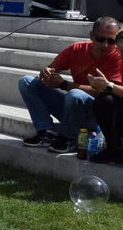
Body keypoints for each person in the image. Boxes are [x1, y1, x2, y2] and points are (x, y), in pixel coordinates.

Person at [18, 16, 122, 154]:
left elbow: (107, 96)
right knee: (26, 82)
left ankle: (67, 137)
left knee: (74, 94)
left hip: (97, 116)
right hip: (73, 108)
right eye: (101, 39)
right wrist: (47, 72)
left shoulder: (118, 57)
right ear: (91, 35)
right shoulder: (76, 49)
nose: (105, 45)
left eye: (111, 41)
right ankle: (46, 132)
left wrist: (64, 85)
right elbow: (51, 69)